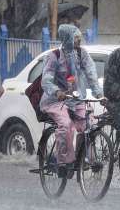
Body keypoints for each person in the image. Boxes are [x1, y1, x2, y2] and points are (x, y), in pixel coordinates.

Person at [40, 24, 102, 178]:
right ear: (67, 38)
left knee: (89, 126)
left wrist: (99, 94)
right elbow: (46, 80)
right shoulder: (54, 56)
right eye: (75, 38)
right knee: (66, 125)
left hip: (76, 99)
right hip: (55, 101)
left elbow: (91, 73)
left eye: (79, 38)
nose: (78, 41)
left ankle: (85, 159)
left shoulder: (82, 54)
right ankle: (63, 161)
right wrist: (57, 91)